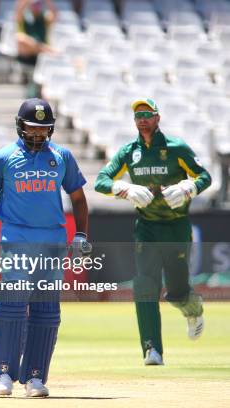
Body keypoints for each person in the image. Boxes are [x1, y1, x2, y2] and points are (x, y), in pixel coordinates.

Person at [0, 98, 90, 397]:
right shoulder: (3, 157)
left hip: (52, 242)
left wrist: (80, 235)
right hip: (15, 242)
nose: (38, 134)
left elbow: (78, 198)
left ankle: (36, 377)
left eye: (44, 128)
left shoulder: (62, 156)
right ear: (20, 125)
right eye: (32, 127)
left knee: (47, 311)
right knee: (11, 307)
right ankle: (3, 374)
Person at [94, 98, 211, 365]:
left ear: (157, 118)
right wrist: (123, 189)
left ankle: (192, 309)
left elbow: (204, 176)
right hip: (146, 228)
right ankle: (151, 349)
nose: (142, 119)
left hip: (176, 227)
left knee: (178, 291)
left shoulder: (176, 148)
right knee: (145, 284)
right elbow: (101, 180)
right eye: (138, 116)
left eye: (147, 114)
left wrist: (187, 189)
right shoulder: (128, 152)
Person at [15, 0, 57, 95]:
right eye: (34, 4)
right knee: (21, 38)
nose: (36, 6)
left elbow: (55, 15)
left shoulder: (44, 18)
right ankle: (41, 47)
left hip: (42, 56)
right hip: (31, 54)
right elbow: (18, 13)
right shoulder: (26, 19)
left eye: (38, 4)